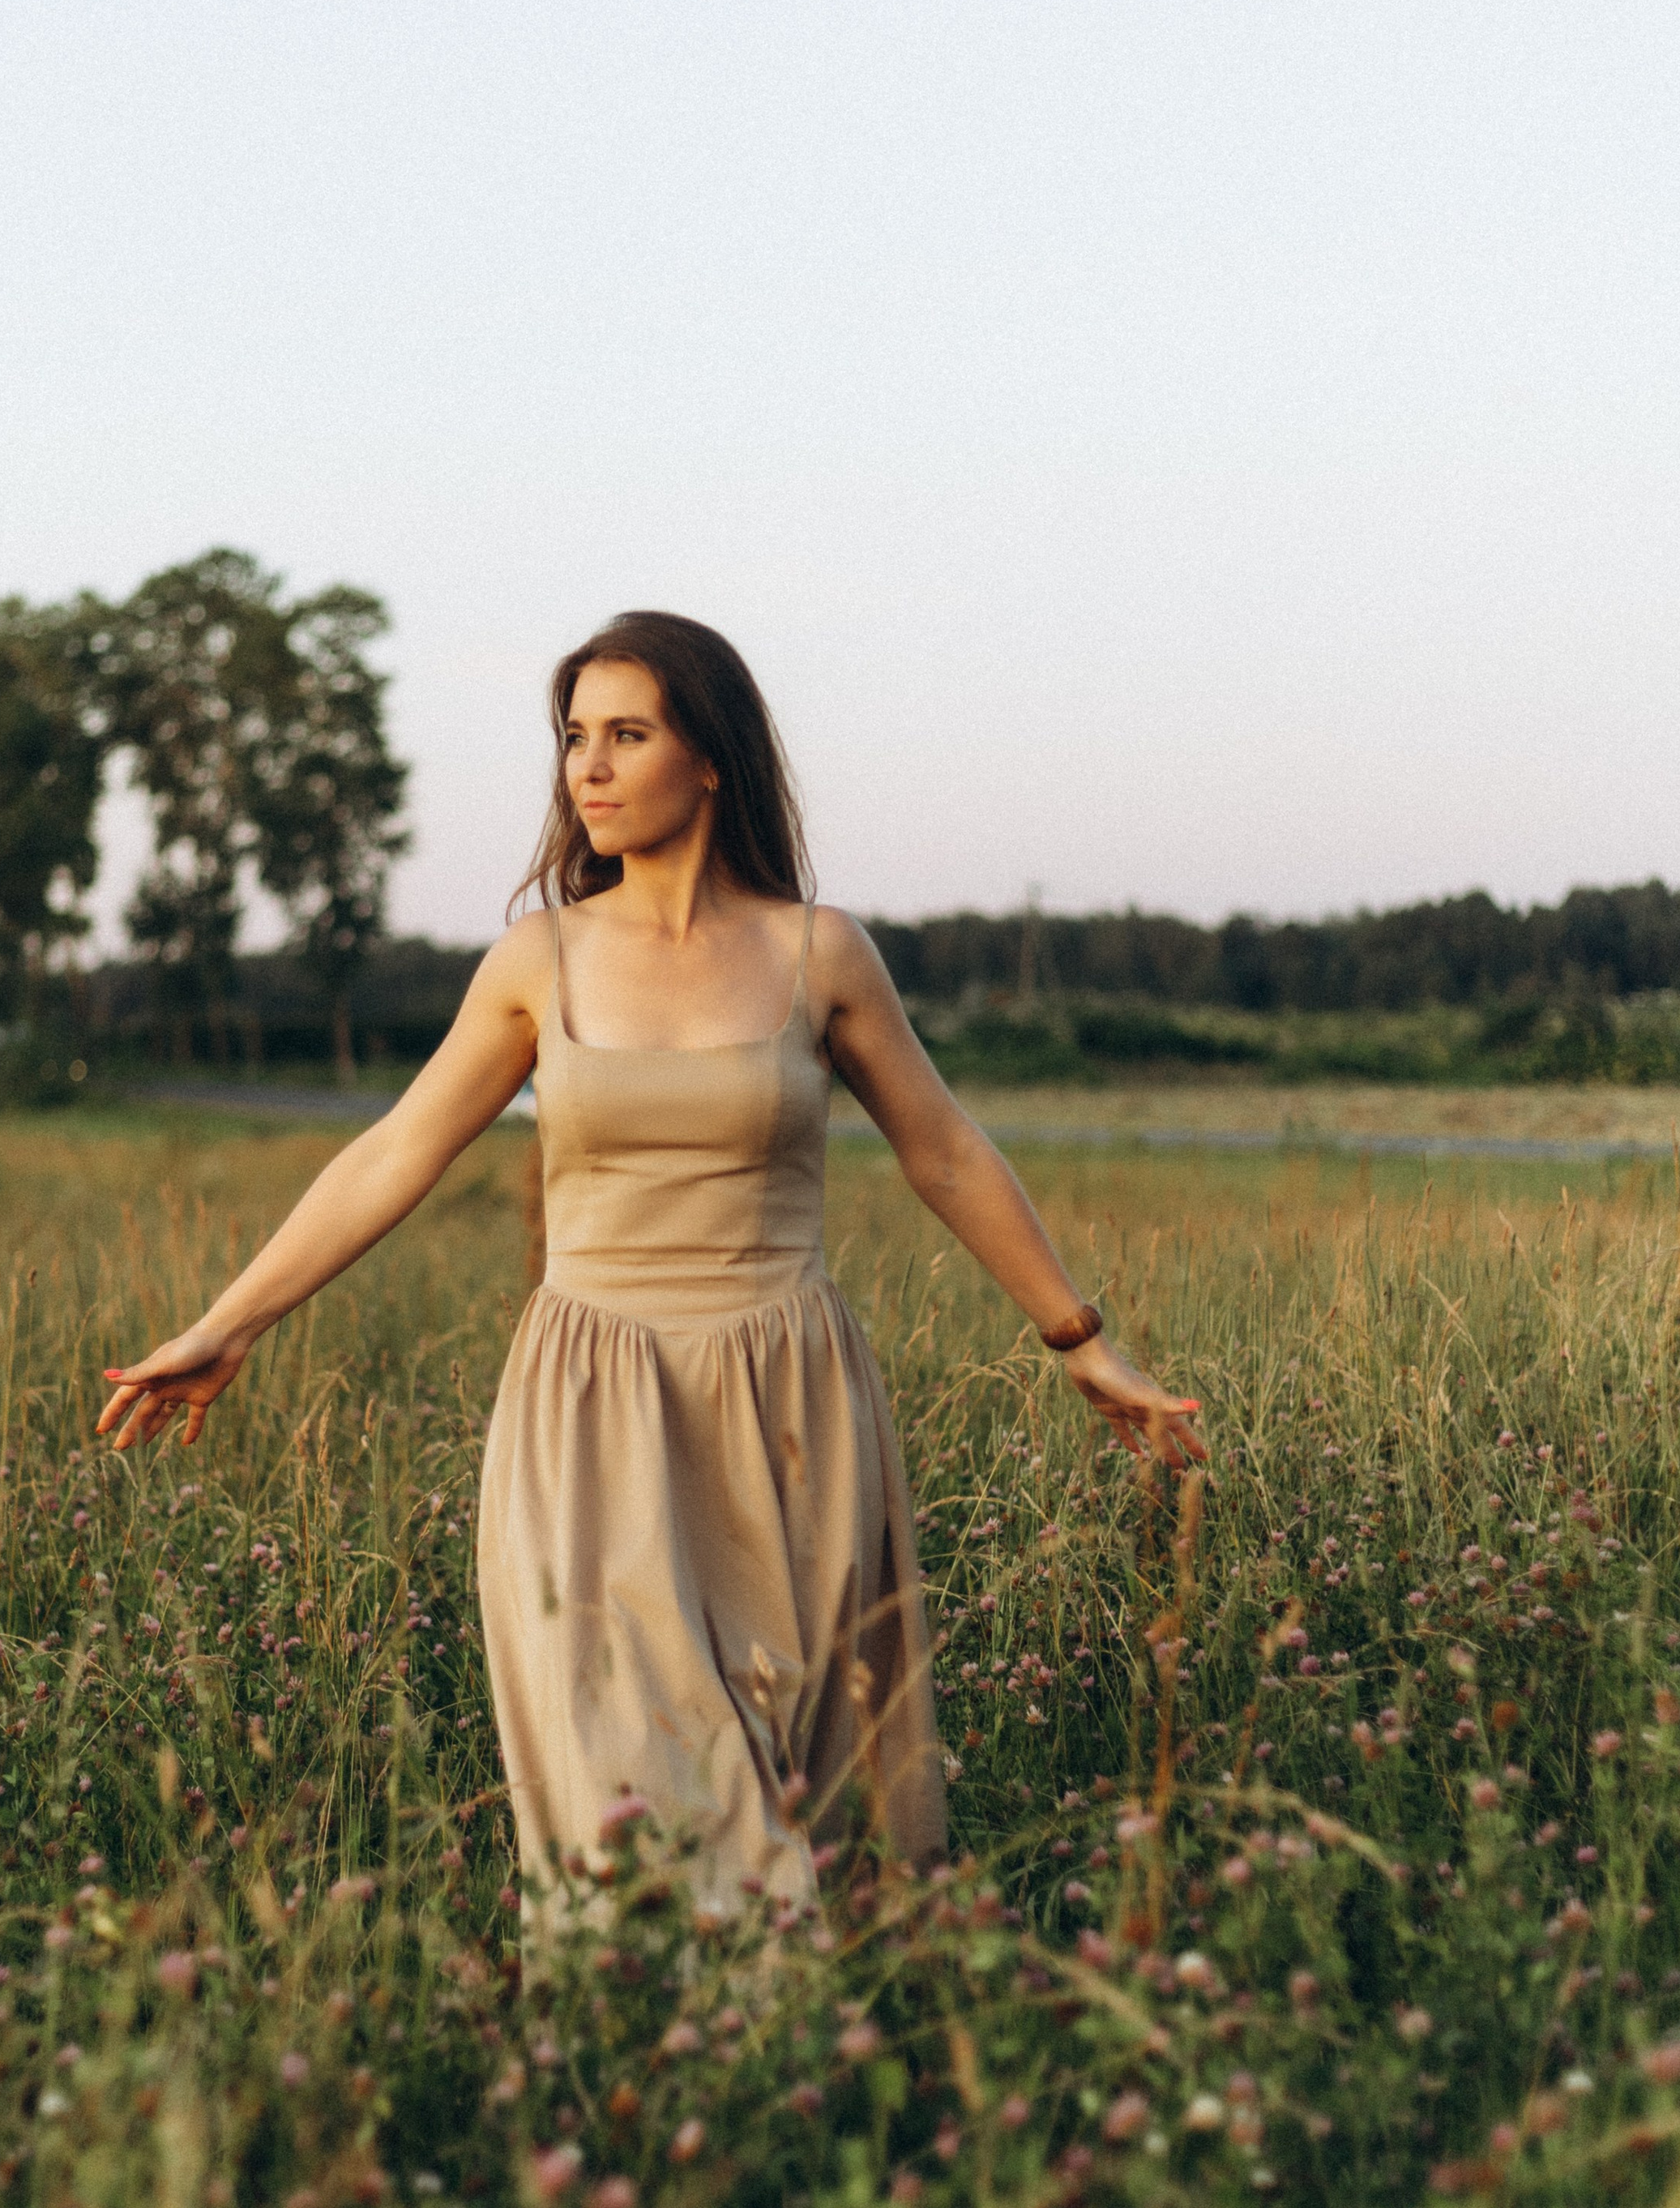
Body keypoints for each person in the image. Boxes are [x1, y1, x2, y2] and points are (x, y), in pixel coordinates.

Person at [96, 611, 1204, 1921]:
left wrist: (1083, 1344)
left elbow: (948, 1154)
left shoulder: (820, 953)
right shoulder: (538, 961)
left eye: (628, 735)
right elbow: (397, 1151)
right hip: (591, 1408)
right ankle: (645, 2051)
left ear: (714, 758)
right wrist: (231, 1324)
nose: (590, 769)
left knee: (803, 1786)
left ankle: (794, 2075)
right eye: (575, 739)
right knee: (630, 1770)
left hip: (787, 1408)